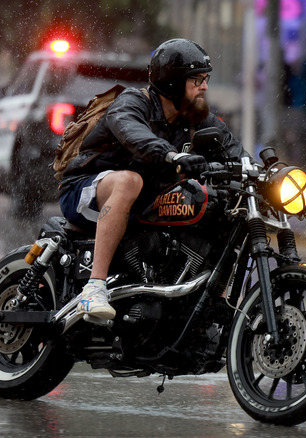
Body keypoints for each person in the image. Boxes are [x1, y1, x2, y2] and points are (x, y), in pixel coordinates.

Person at [57, 38, 251, 320]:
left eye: (206, 79)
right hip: (87, 189)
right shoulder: (134, 103)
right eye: (196, 80)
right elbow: (133, 134)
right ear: (173, 82)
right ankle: (94, 288)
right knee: (130, 181)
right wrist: (172, 155)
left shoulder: (196, 119)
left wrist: (270, 177)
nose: (204, 87)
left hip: (145, 204)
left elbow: (234, 151)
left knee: (222, 204)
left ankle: (208, 300)